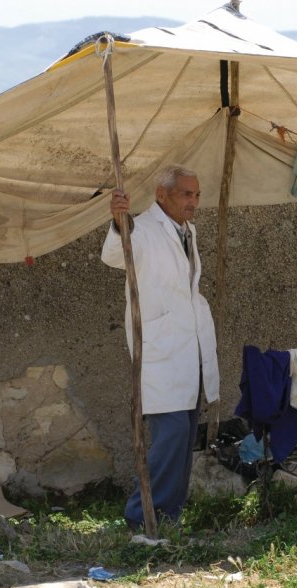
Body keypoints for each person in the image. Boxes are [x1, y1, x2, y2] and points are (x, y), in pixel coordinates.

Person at [101, 164, 220, 530]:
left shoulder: (186, 232)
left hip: (188, 348)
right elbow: (115, 256)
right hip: (161, 351)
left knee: (184, 436)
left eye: (197, 195)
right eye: (186, 194)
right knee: (170, 436)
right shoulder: (145, 228)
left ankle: (169, 514)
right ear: (161, 195)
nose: (194, 202)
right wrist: (120, 222)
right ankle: (142, 516)